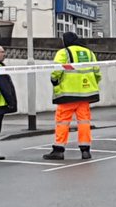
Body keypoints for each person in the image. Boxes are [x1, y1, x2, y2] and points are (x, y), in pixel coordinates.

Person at [43, 31, 101, 161]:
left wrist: (54, 80)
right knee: (84, 122)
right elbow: (97, 72)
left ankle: (59, 150)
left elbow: (57, 70)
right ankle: (85, 150)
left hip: (67, 94)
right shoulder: (89, 53)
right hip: (86, 95)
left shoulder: (63, 53)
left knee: (63, 122)